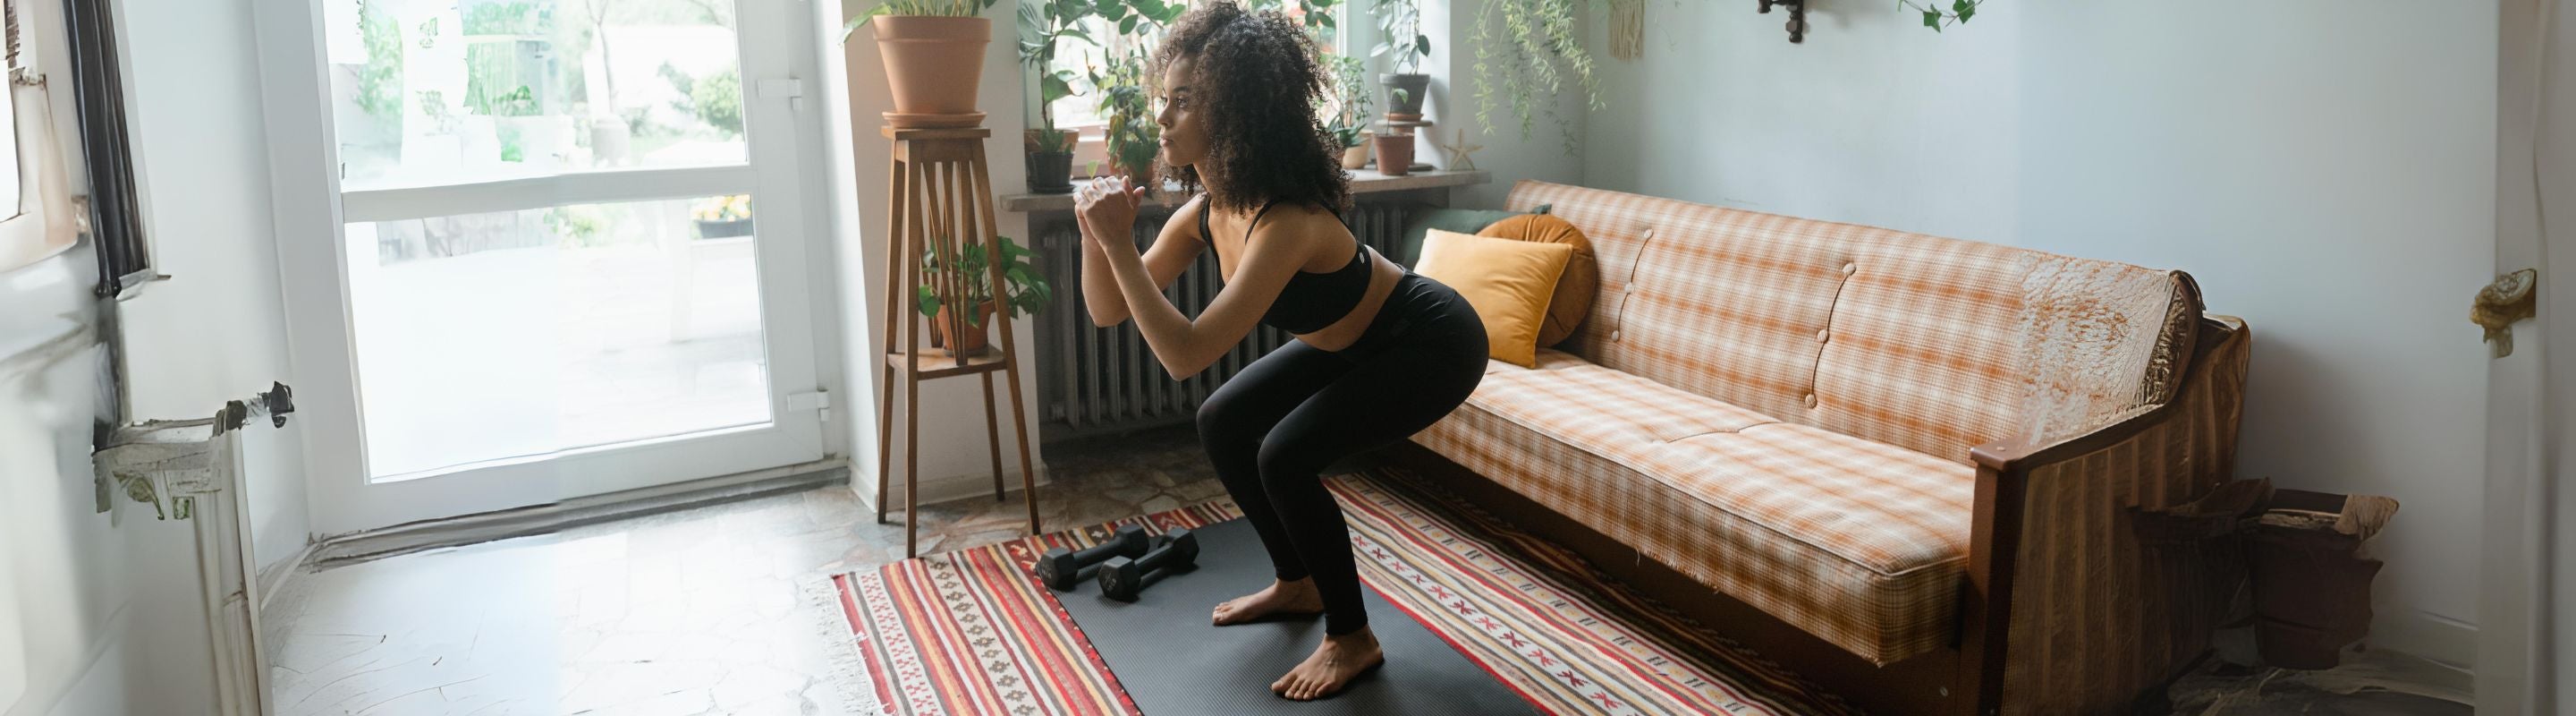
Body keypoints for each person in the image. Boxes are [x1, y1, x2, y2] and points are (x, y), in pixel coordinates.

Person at [1070, 1, 1489, 702]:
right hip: (1350, 342)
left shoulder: (1288, 221)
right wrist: (1094, 236)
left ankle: (1352, 637)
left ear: (1233, 111)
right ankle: (1297, 584)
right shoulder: (1205, 212)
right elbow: (1108, 308)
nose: (1163, 117)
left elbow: (1185, 352)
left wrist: (1119, 245)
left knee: (1284, 454)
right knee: (1222, 420)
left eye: (1184, 101)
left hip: (1430, 341)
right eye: (1163, 100)